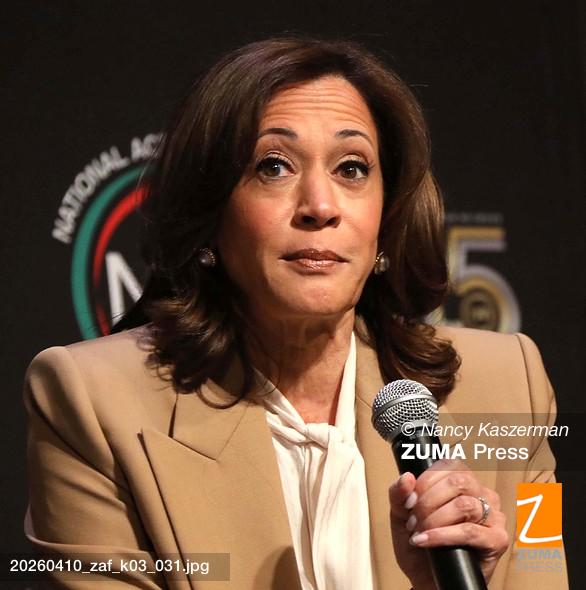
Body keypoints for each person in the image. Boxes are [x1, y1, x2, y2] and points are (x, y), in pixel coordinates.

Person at [24, 37, 568, 589]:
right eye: (274, 166)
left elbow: (546, 567)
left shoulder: (512, 388)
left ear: (387, 217)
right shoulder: (90, 403)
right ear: (209, 211)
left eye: (351, 168)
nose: (320, 206)